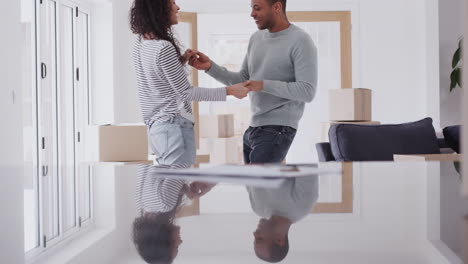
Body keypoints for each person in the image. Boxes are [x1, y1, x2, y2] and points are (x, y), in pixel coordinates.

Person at [189, 0, 318, 164]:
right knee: (254, 188)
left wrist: (263, 84)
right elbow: (244, 80)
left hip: (278, 128)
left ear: (277, 7)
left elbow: (307, 91)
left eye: (257, 8)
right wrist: (210, 67)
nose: (252, 14)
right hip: (254, 128)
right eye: (252, 8)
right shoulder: (256, 38)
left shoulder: (301, 40)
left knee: (260, 186)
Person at [130, 0, 250, 166]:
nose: (177, 7)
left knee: (171, 186)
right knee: (177, 186)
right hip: (174, 128)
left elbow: (159, 80)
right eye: (172, 3)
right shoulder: (163, 47)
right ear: (159, 8)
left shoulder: (141, 44)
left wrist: (182, 60)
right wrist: (229, 91)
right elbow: (186, 92)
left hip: (157, 128)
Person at [132, 164, 215, 264]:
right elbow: (153, 172)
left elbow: (181, 162)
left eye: (176, 247)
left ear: (162, 240)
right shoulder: (142, 206)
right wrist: (185, 189)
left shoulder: (165, 203)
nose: (181, 242)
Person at [248, 175, 319, 262]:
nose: (254, 233)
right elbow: (306, 163)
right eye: (260, 239)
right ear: (279, 240)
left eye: (255, 238)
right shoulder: (302, 205)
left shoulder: (257, 207)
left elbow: (246, 170)